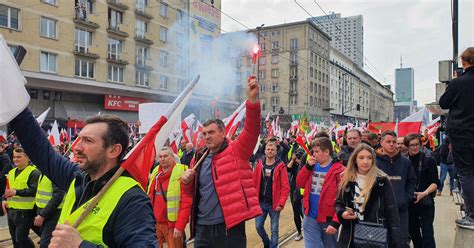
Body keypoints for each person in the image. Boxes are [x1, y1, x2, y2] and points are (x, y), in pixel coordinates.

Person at [9, 110, 157, 246]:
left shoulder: (133, 199)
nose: (77, 147)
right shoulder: (77, 177)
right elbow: (40, 149)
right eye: (79, 139)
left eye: (88, 140)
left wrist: (79, 244)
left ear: (113, 150)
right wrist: (17, 107)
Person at [180, 76, 261, 247]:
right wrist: (186, 182)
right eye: (204, 133)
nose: (207, 136)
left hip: (229, 227)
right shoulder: (198, 157)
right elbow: (192, 192)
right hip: (202, 227)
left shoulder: (237, 151)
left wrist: (252, 101)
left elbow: (252, 130)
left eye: (211, 132)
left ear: (223, 133)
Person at [335, 143, 402, 248]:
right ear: (355, 160)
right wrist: (342, 213)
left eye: (369, 158)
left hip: (375, 236)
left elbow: (392, 213)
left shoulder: (382, 181)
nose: (365, 161)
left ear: (373, 160)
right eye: (361, 158)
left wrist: (396, 242)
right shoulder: (347, 180)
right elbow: (339, 203)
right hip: (350, 236)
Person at [439, 47, 474, 229]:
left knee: (467, 174)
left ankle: (472, 215)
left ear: (464, 62)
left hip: (462, 134)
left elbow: (444, 102)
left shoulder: (459, 83)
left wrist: (454, 81)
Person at [296, 137, 345, 248]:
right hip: (310, 216)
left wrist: (336, 222)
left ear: (327, 152)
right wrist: (307, 167)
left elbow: (343, 198)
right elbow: (299, 183)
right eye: (313, 151)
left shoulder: (340, 170)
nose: (313, 154)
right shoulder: (311, 166)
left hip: (328, 218)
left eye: (317, 151)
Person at [376, 131, 416, 247]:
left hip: (401, 210)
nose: (392, 144)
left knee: (400, 242)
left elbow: (411, 181)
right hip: (381, 211)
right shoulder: (374, 161)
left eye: (394, 142)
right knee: (382, 242)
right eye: (388, 142)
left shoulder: (405, 162)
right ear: (381, 142)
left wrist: (406, 198)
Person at [148, 147, 192, 248]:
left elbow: (186, 202)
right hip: (155, 224)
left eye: (166, 156)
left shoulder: (182, 172)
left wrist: (179, 226)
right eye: (160, 156)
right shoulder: (155, 172)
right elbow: (150, 196)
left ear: (172, 157)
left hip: (172, 225)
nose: (163, 159)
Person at [404, 134, 439, 248]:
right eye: (412, 145)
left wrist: (424, 193)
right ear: (407, 146)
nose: (415, 147)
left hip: (425, 201)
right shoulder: (404, 162)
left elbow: (435, 183)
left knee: (427, 232)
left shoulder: (429, 161)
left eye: (417, 145)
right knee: (413, 232)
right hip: (410, 202)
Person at [253, 141, 289, 248]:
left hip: (274, 204)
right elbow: (254, 181)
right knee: (258, 226)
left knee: (274, 230)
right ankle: (266, 243)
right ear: (265, 151)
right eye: (268, 149)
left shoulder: (281, 166)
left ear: (276, 152)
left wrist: (281, 203)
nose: (270, 151)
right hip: (261, 202)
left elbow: (285, 187)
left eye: (272, 149)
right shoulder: (260, 164)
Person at [2, 148, 41, 248]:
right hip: (11, 210)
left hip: (25, 211)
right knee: (15, 239)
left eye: (19, 157)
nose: (15, 159)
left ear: (27, 158)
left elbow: (34, 190)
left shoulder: (33, 172)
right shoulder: (11, 172)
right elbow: (7, 190)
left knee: (21, 238)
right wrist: (4, 200)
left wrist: (16, 192)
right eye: (14, 157)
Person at [34, 171, 66, 248]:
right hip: (44, 211)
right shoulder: (43, 172)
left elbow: (58, 196)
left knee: (46, 243)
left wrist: (42, 215)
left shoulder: (55, 173)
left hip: (53, 212)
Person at [286, 148, 306, 241]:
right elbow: (288, 169)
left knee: (304, 212)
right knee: (296, 212)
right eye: (297, 155)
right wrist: (293, 160)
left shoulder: (306, 163)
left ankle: (307, 228)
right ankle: (299, 232)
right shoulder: (294, 163)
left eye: (300, 155)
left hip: (304, 190)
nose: (299, 157)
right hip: (294, 190)